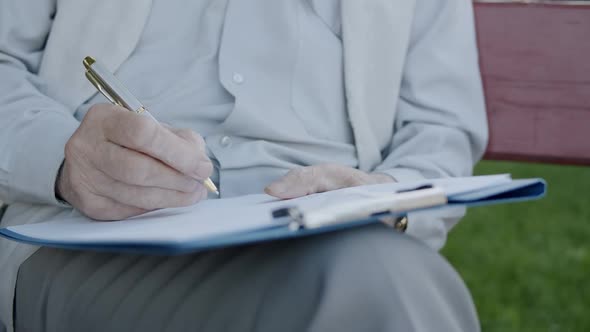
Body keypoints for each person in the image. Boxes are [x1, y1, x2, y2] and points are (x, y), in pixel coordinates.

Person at [0, 0, 488, 331]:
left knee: (373, 277)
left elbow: (441, 127)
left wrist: (380, 195)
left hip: (331, 235)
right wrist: (65, 159)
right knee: (382, 290)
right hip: (91, 240)